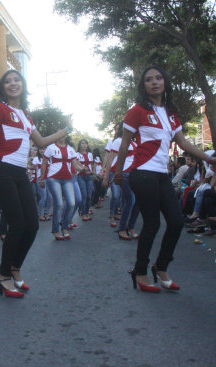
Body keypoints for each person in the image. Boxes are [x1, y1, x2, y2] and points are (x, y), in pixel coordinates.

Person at [0, 70, 70, 298]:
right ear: (3, 88)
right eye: (7, 81)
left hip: (21, 173)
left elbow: (39, 142)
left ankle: (15, 267)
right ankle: (3, 276)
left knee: (32, 226)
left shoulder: (26, 115)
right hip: (3, 171)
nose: (12, 84)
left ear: (23, 84)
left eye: (16, 80)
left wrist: (62, 131)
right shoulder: (0, 109)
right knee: (18, 225)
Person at [114, 66, 216, 293]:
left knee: (177, 222)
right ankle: (140, 272)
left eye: (158, 78)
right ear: (144, 86)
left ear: (165, 82)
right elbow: (123, 144)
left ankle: (161, 266)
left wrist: (209, 159)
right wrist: (119, 173)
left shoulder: (170, 113)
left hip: (161, 175)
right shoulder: (137, 111)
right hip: (142, 173)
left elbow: (184, 143)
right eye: (148, 79)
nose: (154, 82)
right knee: (152, 223)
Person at [103, 123, 137, 240]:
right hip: (123, 174)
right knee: (129, 199)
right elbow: (110, 160)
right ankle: (122, 227)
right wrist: (106, 177)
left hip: (135, 175)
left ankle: (131, 227)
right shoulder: (118, 141)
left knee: (136, 202)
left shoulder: (135, 143)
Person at [76, 139, 95, 221]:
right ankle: (83, 213)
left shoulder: (90, 154)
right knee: (84, 195)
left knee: (89, 195)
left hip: (89, 176)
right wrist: (83, 168)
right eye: (82, 143)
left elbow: (92, 164)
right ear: (80, 145)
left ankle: (87, 212)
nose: (84, 145)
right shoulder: (76, 154)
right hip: (81, 176)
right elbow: (76, 163)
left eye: (85, 143)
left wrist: (93, 172)